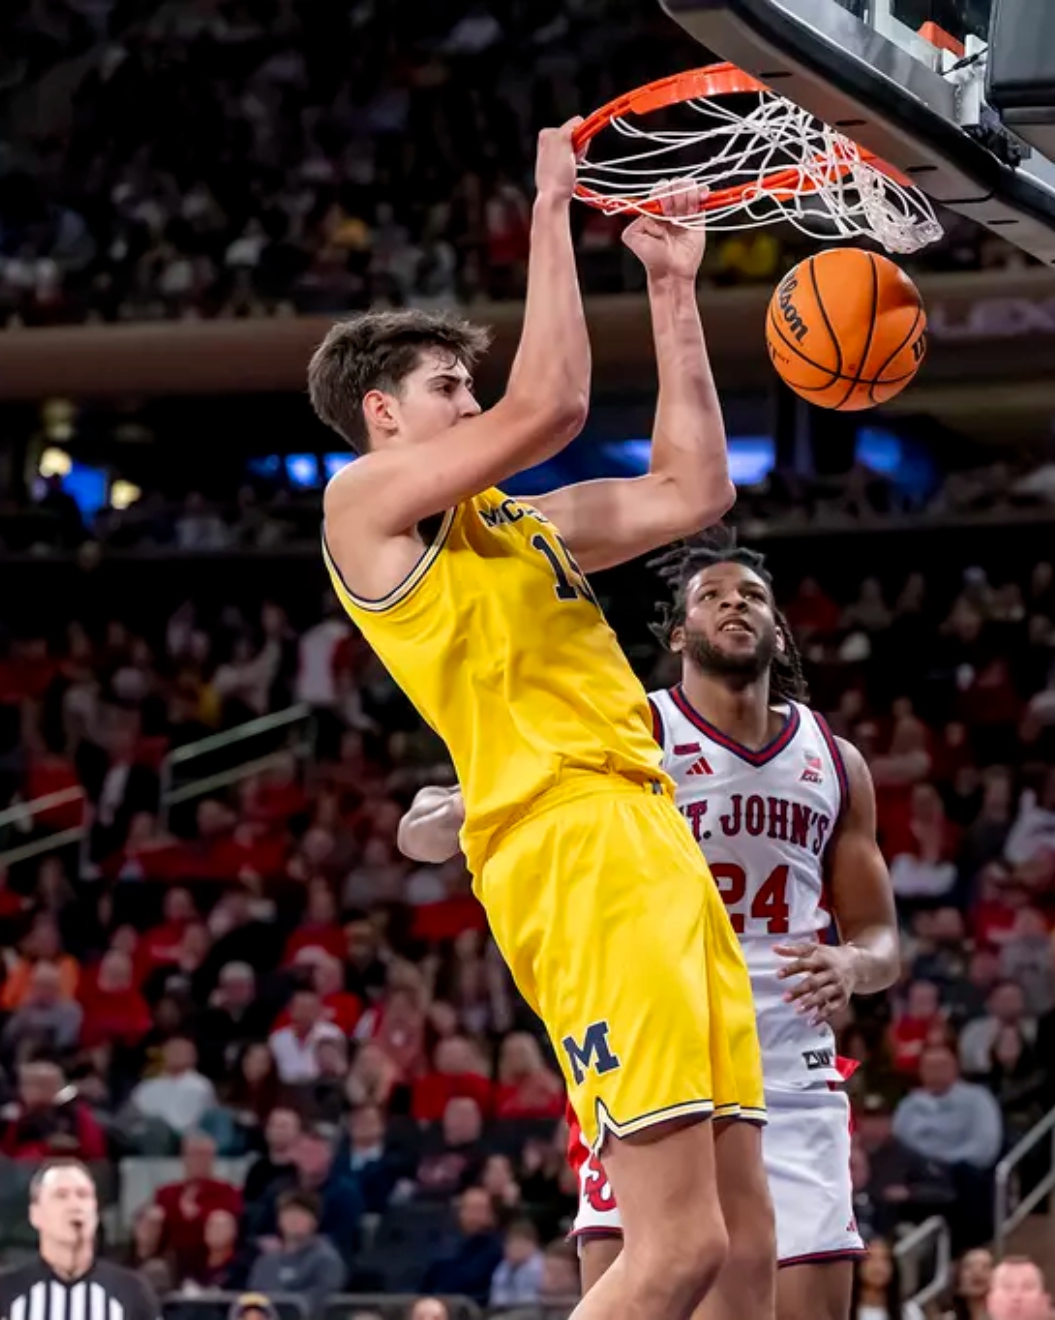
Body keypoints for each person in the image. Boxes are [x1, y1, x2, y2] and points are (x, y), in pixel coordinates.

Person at [313, 115, 764, 1320]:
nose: (472, 403)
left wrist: (672, 287)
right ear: (383, 416)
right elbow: (555, 402)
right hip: (570, 845)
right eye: (448, 386)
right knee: (668, 1253)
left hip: (652, 832)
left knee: (731, 1246)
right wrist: (553, 205)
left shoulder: (525, 526)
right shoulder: (363, 512)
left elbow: (694, 491)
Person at [401, 536, 900, 1315]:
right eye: (711, 595)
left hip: (787, 1055)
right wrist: (465, 807)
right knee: (650, 1286)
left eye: (753, 597)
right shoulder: (625, 729)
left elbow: (882, 939)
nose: (735, 603)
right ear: (677, 635)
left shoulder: (835, 762)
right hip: (653, 1032)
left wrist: (853, 968)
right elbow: (437, 822)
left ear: (779, 633)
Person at [0, 1161, 160, 1320]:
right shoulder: (0, 1290)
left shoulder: (132, 1289)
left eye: (83, 1195)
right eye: (61, 1196)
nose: (75, 1205)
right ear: (35, 1214)